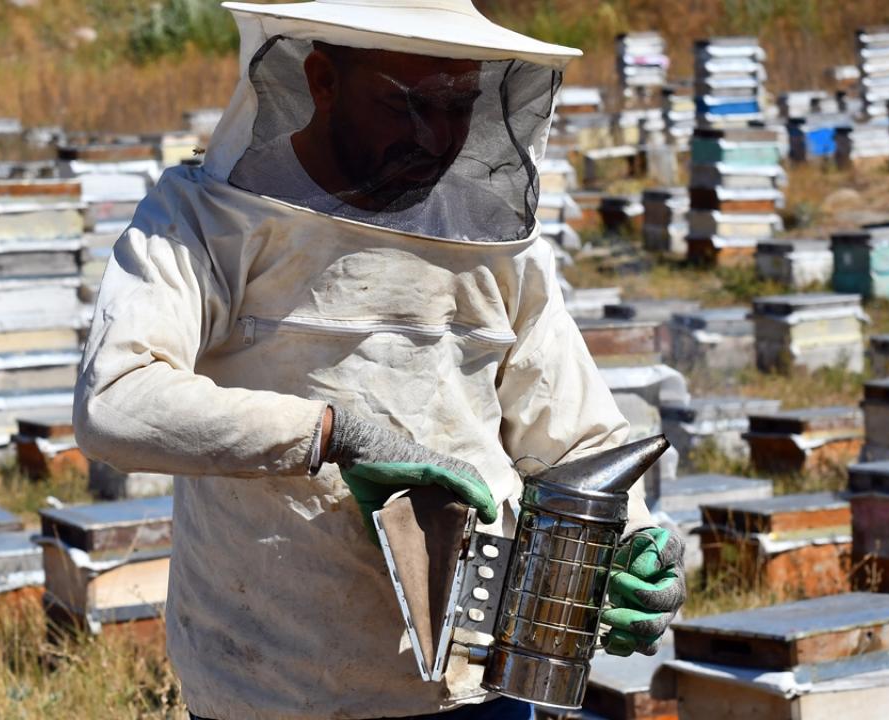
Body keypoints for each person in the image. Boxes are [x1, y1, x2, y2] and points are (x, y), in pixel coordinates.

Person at [73, 2, 685, 718]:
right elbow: (117, 402)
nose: (439, 137)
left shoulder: (494, 246)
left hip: (475, 688)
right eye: (406, 104)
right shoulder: (206, 222)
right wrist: (335, 434)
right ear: (323, 79)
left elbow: (579, 441)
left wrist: (636, 542)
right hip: (271, 688)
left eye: (459, 105)